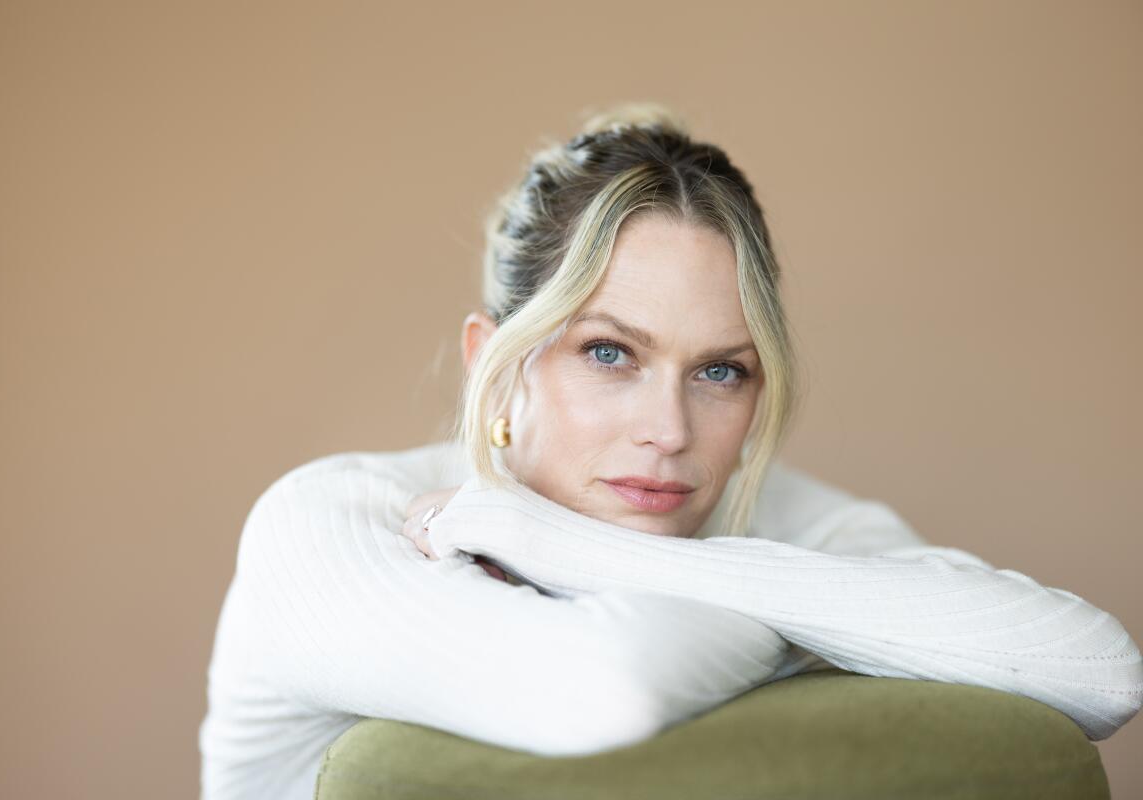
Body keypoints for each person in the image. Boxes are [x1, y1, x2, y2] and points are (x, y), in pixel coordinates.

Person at [198, 104, 1143, 800]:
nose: (672, 432)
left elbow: (1101, 673)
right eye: (609, 352)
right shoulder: (329, 523)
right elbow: (602, 692)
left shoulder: (780, 514)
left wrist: (564, 546)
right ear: (499, 363)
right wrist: (808, 619)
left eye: (721, 372)